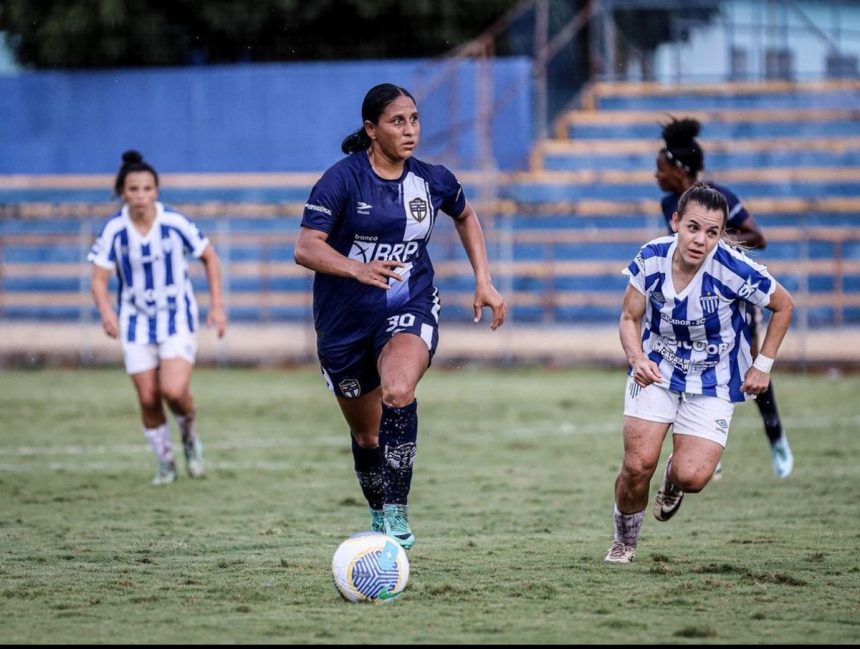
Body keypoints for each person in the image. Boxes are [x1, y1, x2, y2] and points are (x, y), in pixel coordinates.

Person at [294, 83, 507, 549]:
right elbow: (305, 247)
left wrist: (483, 279)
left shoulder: (432, 180)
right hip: (344, 322)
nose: (409, 129)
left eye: (413, 119)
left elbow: (466, 215)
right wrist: (356, 267)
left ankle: (397, 514)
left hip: (408, 304)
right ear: (371, 130)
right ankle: (377, 512)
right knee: (367, 437)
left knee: (398, 389)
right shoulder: (341, 180)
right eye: (397, 121)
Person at [604, 182, 794, 564]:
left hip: (714, 380)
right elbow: (629, 317)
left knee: (693, 477)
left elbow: (784, 305)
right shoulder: (652, 257)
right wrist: (637, 356)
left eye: (711, 232)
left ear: (720, 235)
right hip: (657, 369)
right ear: (676, 222)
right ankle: (624, 543)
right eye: (693, 227)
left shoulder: (733, 268)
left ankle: (674, 478)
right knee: (638, 464)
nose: (700, 240)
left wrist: (763, 365)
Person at [655, 116, 794, 480]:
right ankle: (700, 450)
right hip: (688, 302)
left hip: (731, 300)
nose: (656, 176)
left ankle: (776, 437)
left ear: (678, 168)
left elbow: (757, 237)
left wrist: (715, 239)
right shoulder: (670, 203)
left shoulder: (721, 198)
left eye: (661, 168)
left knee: (749, 367)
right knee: (683, 364)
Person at [88, 150, 227, 485]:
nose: (140, 196)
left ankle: (190, 438)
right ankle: (166, 462)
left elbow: (209, 257)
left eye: (147, 189)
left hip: (176, 316)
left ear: (156, 191)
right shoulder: (114, 230)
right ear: (123, 191)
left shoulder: (173, 223)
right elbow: (98, 277)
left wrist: (217, 306)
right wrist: (107, 312)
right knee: (148, 398)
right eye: (134, 189)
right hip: (135, 321)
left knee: (174, 391)